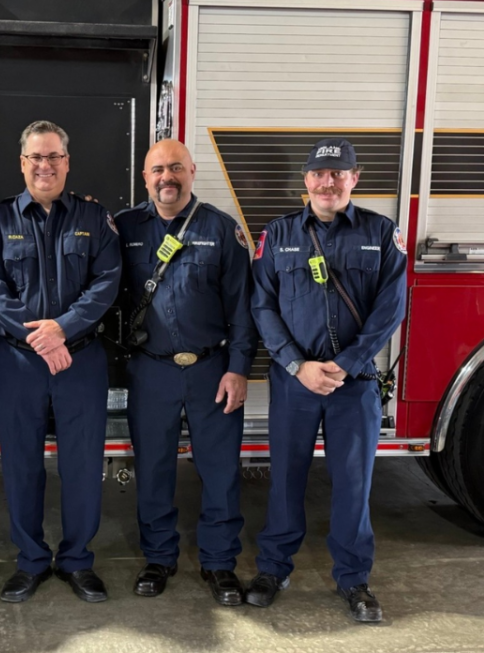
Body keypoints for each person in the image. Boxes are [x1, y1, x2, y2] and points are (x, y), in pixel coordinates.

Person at [247, 138, 407, 622]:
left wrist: (349, 362)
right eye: (320, 173)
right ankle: (274, 568)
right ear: (306, 181)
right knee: (285, 480)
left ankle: (354, 580)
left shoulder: (381, 233)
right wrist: (298, 364)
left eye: (339, 173)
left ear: (355, 179)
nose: (328, 182)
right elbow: (262, 305)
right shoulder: (277, 235)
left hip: (352, 383)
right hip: (295, 381)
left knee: (353, 485)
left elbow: (391, 306)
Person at [0, 120, 122, 603]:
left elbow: (107, 283)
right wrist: (41, 337)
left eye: (54, 156)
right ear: (22, 163)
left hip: (81, 359)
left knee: (82, 464)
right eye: (36, 157)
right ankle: (32, 560)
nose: (45, 165)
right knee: (21, 465)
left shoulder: (95, 218)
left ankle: (78, 560)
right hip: (18, 363)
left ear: (67, 162)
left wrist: (64, 328)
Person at [115, 139, 257, 606]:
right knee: (153, 469)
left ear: (192, 171)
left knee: (219, 471)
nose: (166, 178)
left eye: (176, 167)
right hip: (150, 371)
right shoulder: (125, 228)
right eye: (157, 169)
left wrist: (238, 370)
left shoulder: (221, 229)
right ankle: (159, 557)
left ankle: (219, 563)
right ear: (145, 178)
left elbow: (243, 311)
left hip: (211, 370)